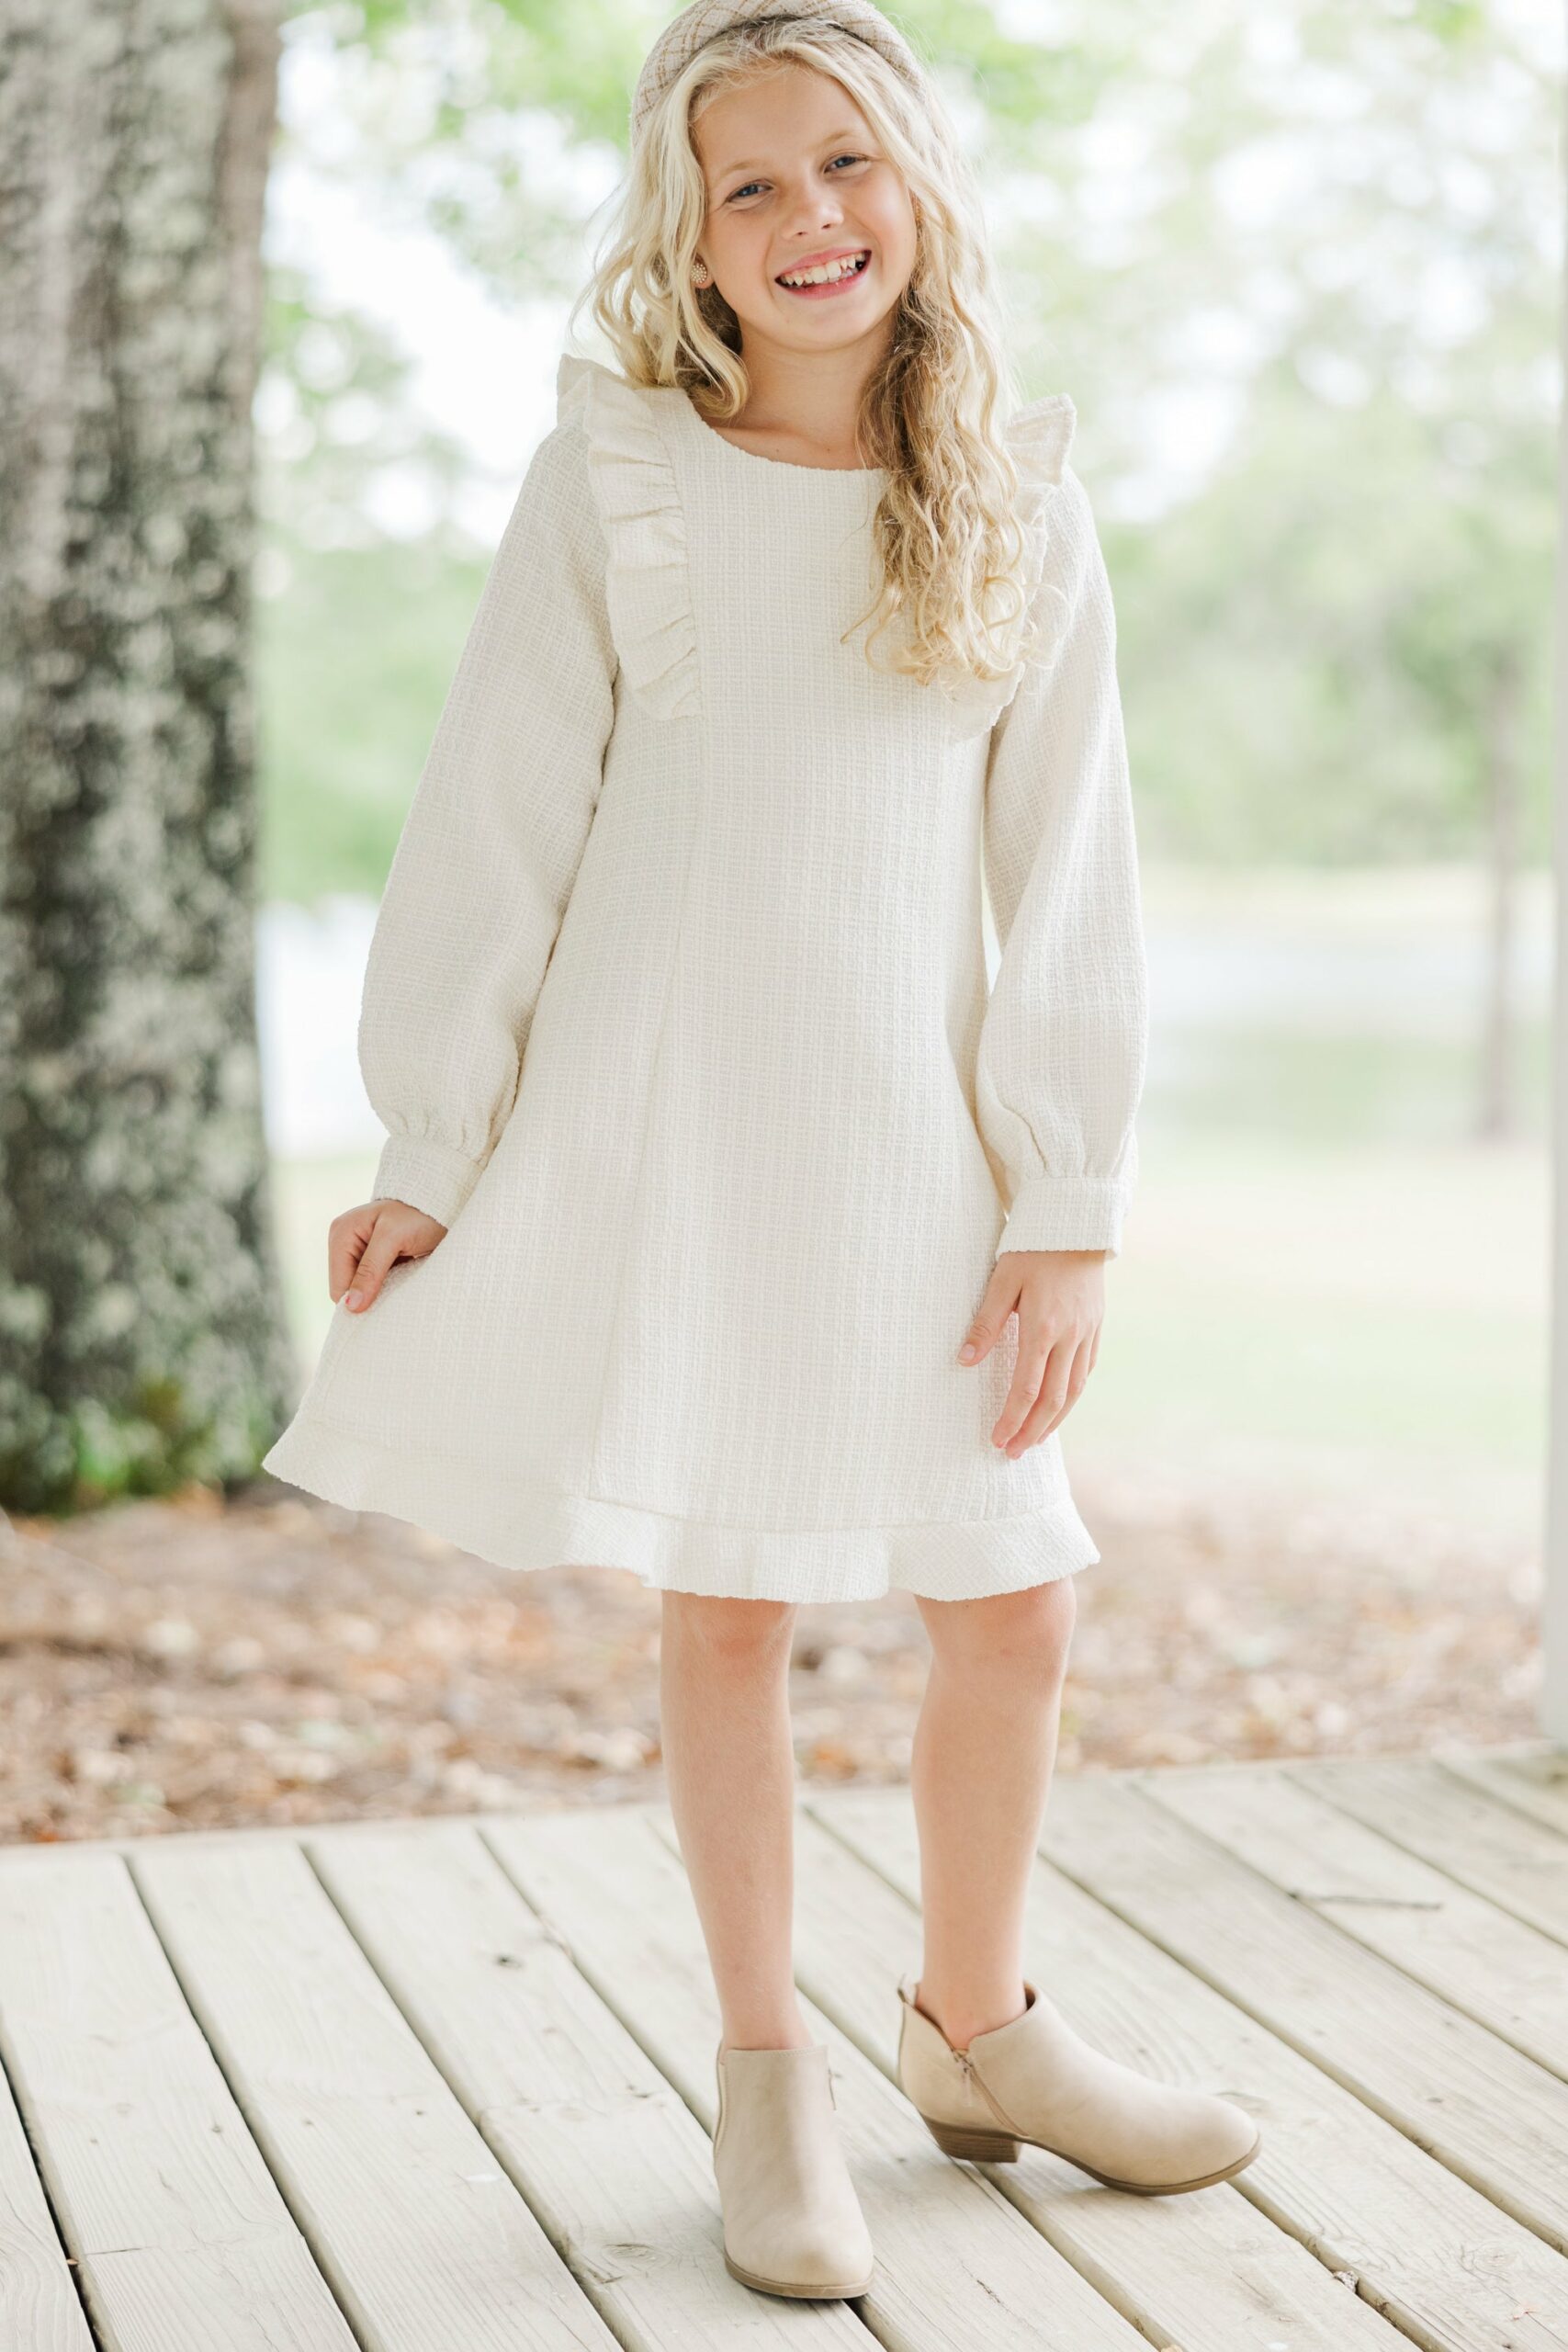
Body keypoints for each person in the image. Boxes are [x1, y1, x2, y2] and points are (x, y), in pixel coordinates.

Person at [263, 0, 1261, 2302]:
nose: (807, 215)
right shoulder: (618, 479)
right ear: (689, 242)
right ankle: (763, 2071)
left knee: (1010, 1599)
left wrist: (1065, 1200)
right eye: (748, 186)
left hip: (910, 1147)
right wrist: (436, 1131)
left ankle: (978, 2024)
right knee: (723, 1604)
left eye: (843, 164)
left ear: (914, 189)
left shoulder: (1018, 500)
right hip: (676, 1127)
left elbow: (1068, 873)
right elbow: (499, 812)